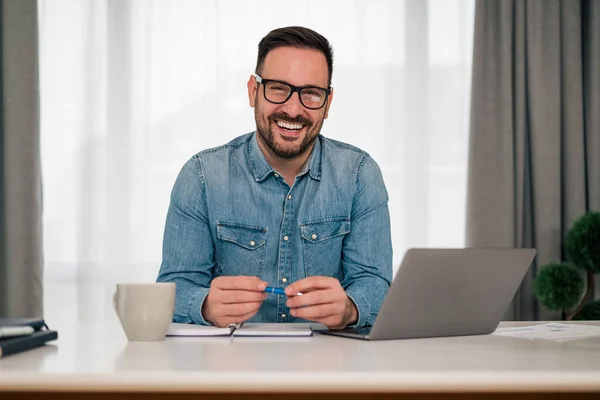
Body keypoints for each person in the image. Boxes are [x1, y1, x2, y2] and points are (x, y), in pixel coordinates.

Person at [156, 26, 392, 330]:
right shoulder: (201, 176)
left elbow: (376, 285)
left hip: (331, 368)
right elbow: (174, 287)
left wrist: (350, 308)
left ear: (328, 102)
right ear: (254, 92)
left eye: (311, 93)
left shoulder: (360, 175)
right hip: (227, 368)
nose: (293, 110)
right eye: (278, 88)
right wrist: (204, 305)